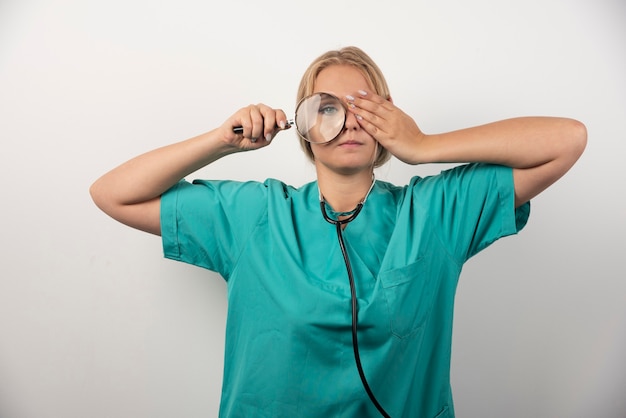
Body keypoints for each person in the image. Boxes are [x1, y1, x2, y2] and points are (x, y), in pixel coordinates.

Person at [90, 46, 587, 418]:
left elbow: (567, 140)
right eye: (327, 108)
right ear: (304, 126)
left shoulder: (435, 211)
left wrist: (423, 144)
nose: (349, 121)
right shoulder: (255, 214)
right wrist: (222, 141)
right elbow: (113, 192)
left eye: (366, 107)